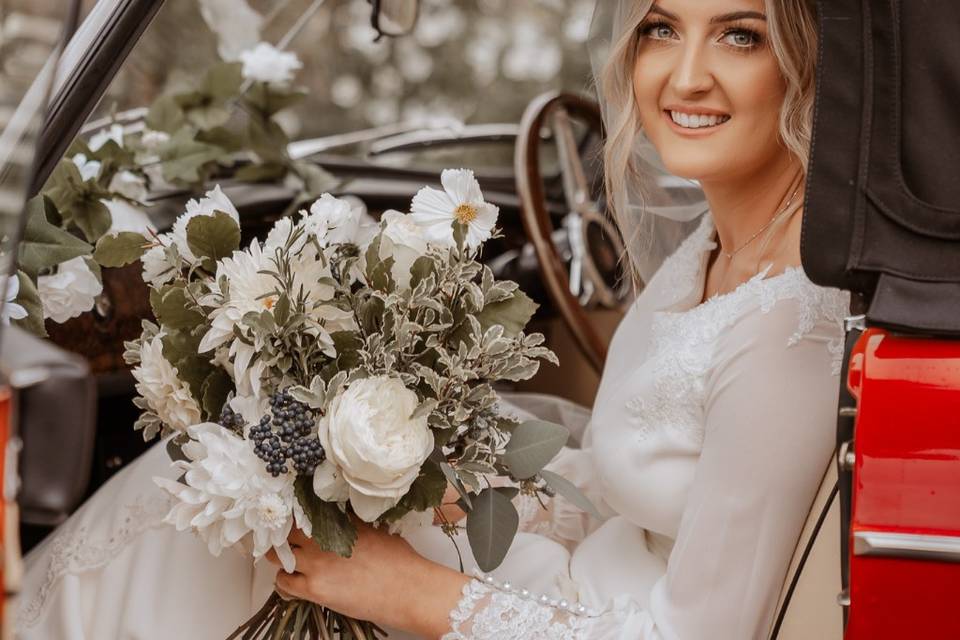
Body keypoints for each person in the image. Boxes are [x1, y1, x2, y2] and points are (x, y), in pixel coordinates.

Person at [15, 0, 848, 638]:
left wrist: (411, 594)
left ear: (809, 63)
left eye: (742, 35)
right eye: (663, 29)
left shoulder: (788, 328)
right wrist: (465, 483)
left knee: (211, 528)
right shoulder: (713, 245)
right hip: (581, 576)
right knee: (235, 482)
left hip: (592, 615)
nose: (685, 76)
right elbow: (651, 481)